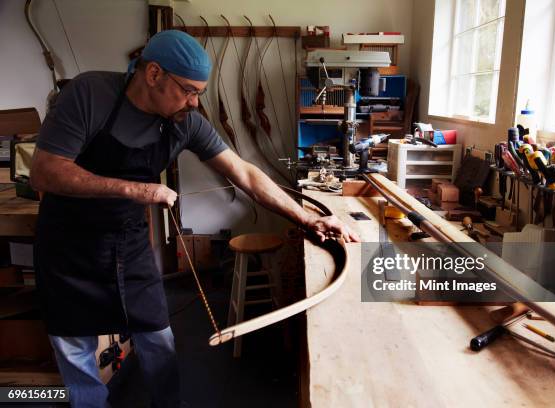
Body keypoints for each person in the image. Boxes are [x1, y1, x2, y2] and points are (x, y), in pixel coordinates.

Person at [30, 30, 359, 408]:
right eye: (188, 90)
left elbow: (245, 173)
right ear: (153, 74)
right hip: (69, 246)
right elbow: (45, 172)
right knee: (76, 348)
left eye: (199, 92)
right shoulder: (89, 95)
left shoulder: (185, 121)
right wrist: (138, 190)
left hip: (128, 242)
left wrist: (308, 220)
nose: (194, 102)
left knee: (158, 338)